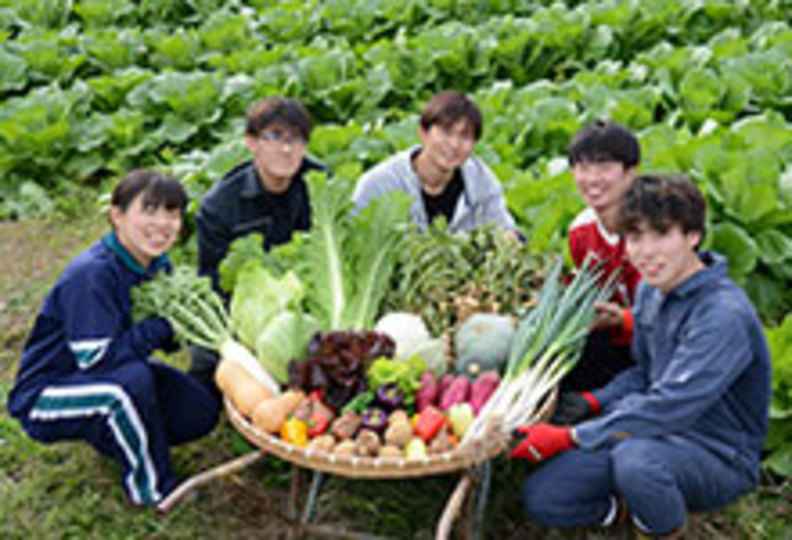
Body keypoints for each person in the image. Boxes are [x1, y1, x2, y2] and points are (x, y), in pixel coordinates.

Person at [512, 174, 771, 538]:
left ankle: (663, 529)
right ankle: (629, 509)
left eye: (661, 235)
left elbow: (672, 404)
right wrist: (593, 401)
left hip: (716, 453)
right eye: (635, 237)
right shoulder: (652, 292)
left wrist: (571, 436)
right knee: (546, 496)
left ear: (693, 236)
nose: (646, 251)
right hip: (646, 433)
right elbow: (645, 374)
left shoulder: (721, 314)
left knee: (637, 463)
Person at [7, 170, 219, 506]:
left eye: (172, 212)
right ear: (116, 216)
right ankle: (153, 490)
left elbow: (160, 339)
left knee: (197, 410)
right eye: (148, 211)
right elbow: (98, 359)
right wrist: (162, 326)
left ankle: (114, 436)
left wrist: (189, 323)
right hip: (47, 393)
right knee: (127, 385)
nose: (162, 223)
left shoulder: (156, 264)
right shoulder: (92, 274)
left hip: (101, 376)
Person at [191, 97, 326, 391]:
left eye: (297, 139)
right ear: (251, 142)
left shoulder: (319, 182)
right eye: (274, 137)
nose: (287, 149)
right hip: (250, 313)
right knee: (204, 362)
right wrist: (256, 335)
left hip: (310, 307)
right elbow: (214, 283)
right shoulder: (219, 206)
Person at [352, 90, 519, 235]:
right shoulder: (378, 184)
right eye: (446, 132)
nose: (454, 145)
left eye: (465, 137)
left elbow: (506, 229)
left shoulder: (481, 180)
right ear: (423, 132)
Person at [558, 120, 642, 396]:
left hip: (661, 344)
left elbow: (673, 314)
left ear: (631, 172)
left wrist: (623, 320)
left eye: (605, 168)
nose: (592, 179)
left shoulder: (653, 230)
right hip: (614, 344)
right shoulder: (581, 231)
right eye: (583, 168)